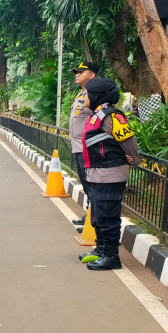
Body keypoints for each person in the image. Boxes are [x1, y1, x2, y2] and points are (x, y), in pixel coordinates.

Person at [80, 77, 140, 270]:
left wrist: (134, 158)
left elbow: (128, 141)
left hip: (110, 173)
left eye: (86, 94)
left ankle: (111, 256)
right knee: (98, 214)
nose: (83, 97)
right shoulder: (98, 114)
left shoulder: (112, 116)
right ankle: (101, 249)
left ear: (97, 95)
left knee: (108, 216)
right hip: (97, 172)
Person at [69, 61, 100, 226]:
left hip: (87, 147)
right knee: (86, 184)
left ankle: (94, 220)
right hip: (78, 147)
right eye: (77, 72)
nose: (77, 74)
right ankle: (90, 217)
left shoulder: (95, 94)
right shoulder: (82, 94)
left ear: (92, 75)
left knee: (91, 184)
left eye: (81, 72)